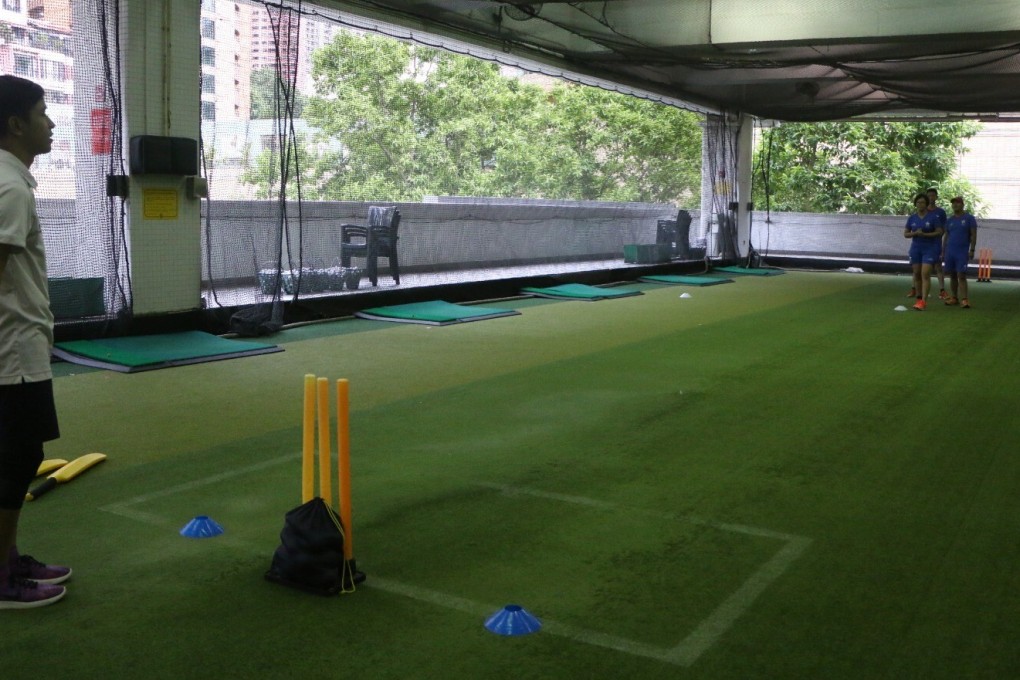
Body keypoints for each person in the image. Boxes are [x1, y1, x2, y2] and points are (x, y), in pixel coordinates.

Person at [0, 75, 70, 609]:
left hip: (16, 350)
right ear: (16, 125)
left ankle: (8, 558)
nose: (51, 123)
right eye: (43, 113)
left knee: (17, 459)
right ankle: (3, 575)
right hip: (12, 356)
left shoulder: (10, 180)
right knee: (15, 461)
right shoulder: (10, 187)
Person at [903, 193, 943, 311]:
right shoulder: (912, 218)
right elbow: (906, 234)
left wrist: (925, 234)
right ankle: (919, 298)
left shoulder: (933, 217)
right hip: (916, 248)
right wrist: (915, 233)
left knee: (925, 273)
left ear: (926, 204)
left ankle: (924, 301)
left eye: (923, 202)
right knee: (916, 273)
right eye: (918, 202)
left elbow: (940, 232)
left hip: (930, 248)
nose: (920, 204)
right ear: (915, 204)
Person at [942, 196, 978, 308]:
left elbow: (973, 235)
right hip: (950, 251)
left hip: (962, 252)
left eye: (957, 203)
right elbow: (946, 236)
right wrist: (943, 251)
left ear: (962, 204)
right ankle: (954, 297)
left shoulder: (969, 218)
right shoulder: (950, 220)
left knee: (961, 275)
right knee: (952, 275)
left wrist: (972, 250)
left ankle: (965, 299)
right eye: (953, 203)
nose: (955, 205)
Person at [926, 188, 948, 299]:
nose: (931, 198)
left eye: (933, 195)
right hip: (924, 244)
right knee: (924, 267)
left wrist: (937, 235)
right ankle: (922, 290)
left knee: (938, 266)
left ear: (936, 197)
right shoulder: (923, 211)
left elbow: (944, 228)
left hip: (936, 243)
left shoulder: (941, 212)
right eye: (929, 196)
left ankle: (942, 290)